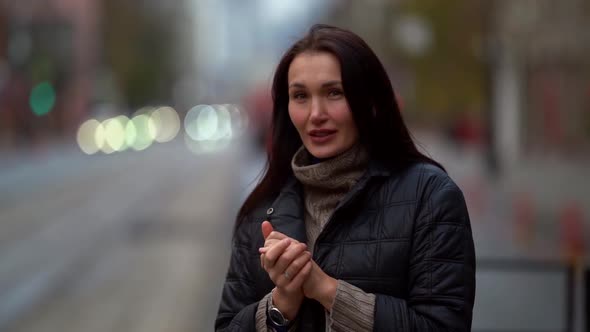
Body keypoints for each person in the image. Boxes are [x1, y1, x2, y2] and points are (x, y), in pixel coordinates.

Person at [216, 24, 476, 331]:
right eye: (300, 95)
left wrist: (325, 289)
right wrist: (280, 304)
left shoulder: (429, 195)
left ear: (370, 102)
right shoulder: (262, 209)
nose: (316, 113)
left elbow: (443, 325)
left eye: (334, 93)